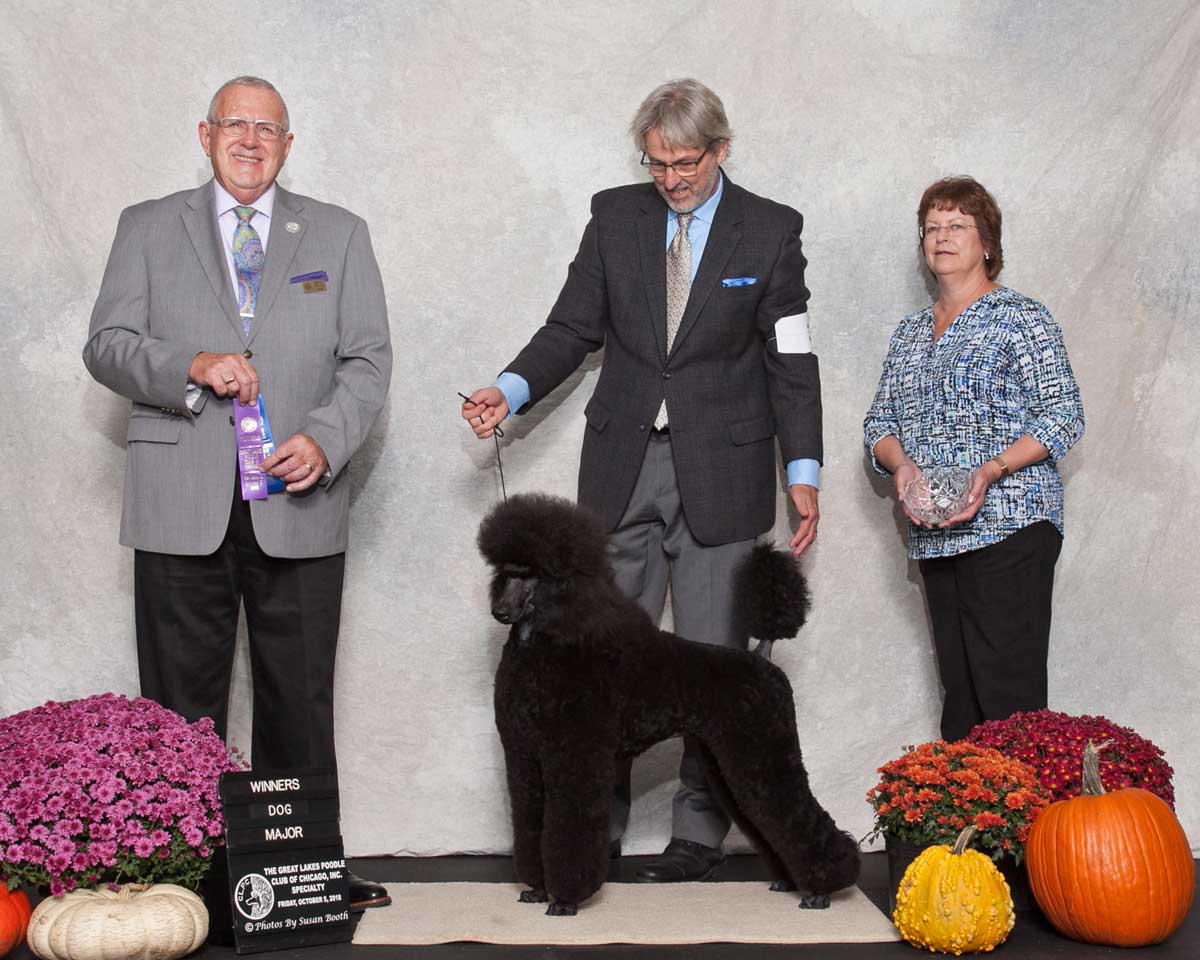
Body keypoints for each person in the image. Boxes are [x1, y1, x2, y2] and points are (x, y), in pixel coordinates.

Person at [461, 78, 823, 882]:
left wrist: (803, 470)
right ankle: (593, 838)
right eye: (656, 163)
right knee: (593, 663)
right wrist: (509, 389)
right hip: (621, 468)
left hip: (723, 472)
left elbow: (792, 362)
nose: (670, 178)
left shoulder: (769, 231)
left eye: (685, 162)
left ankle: (699, 834)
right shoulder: (614, 217)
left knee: (711, 662)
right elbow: (570, 328)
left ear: (720, 150)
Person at [83, 76, 393, 910]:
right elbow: (107, 346)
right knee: (180, 710)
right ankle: (181, 884)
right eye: (235, 124)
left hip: (299, 506)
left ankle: (301, 880)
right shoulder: (146, 228)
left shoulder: (340, 232)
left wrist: (324, 442)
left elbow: (368, 362)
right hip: (179, 502)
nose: (251, 139)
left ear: (289, 145)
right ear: (205, 133)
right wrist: (187, 366)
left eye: (269, 128)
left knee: (299, 703)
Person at [863, 176, 1084, 743]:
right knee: (960, 701)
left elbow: (1062, 417)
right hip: (937, 534)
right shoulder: (909, 334)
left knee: (1009, 697)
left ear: (987, 241)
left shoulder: (1021, 317)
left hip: (1010, 526)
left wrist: (990, 470)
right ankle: (969, 829)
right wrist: (902, 467)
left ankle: (1029, 829)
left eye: (957, 225)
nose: (942, 237)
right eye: (932, 227)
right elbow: (878, 427)